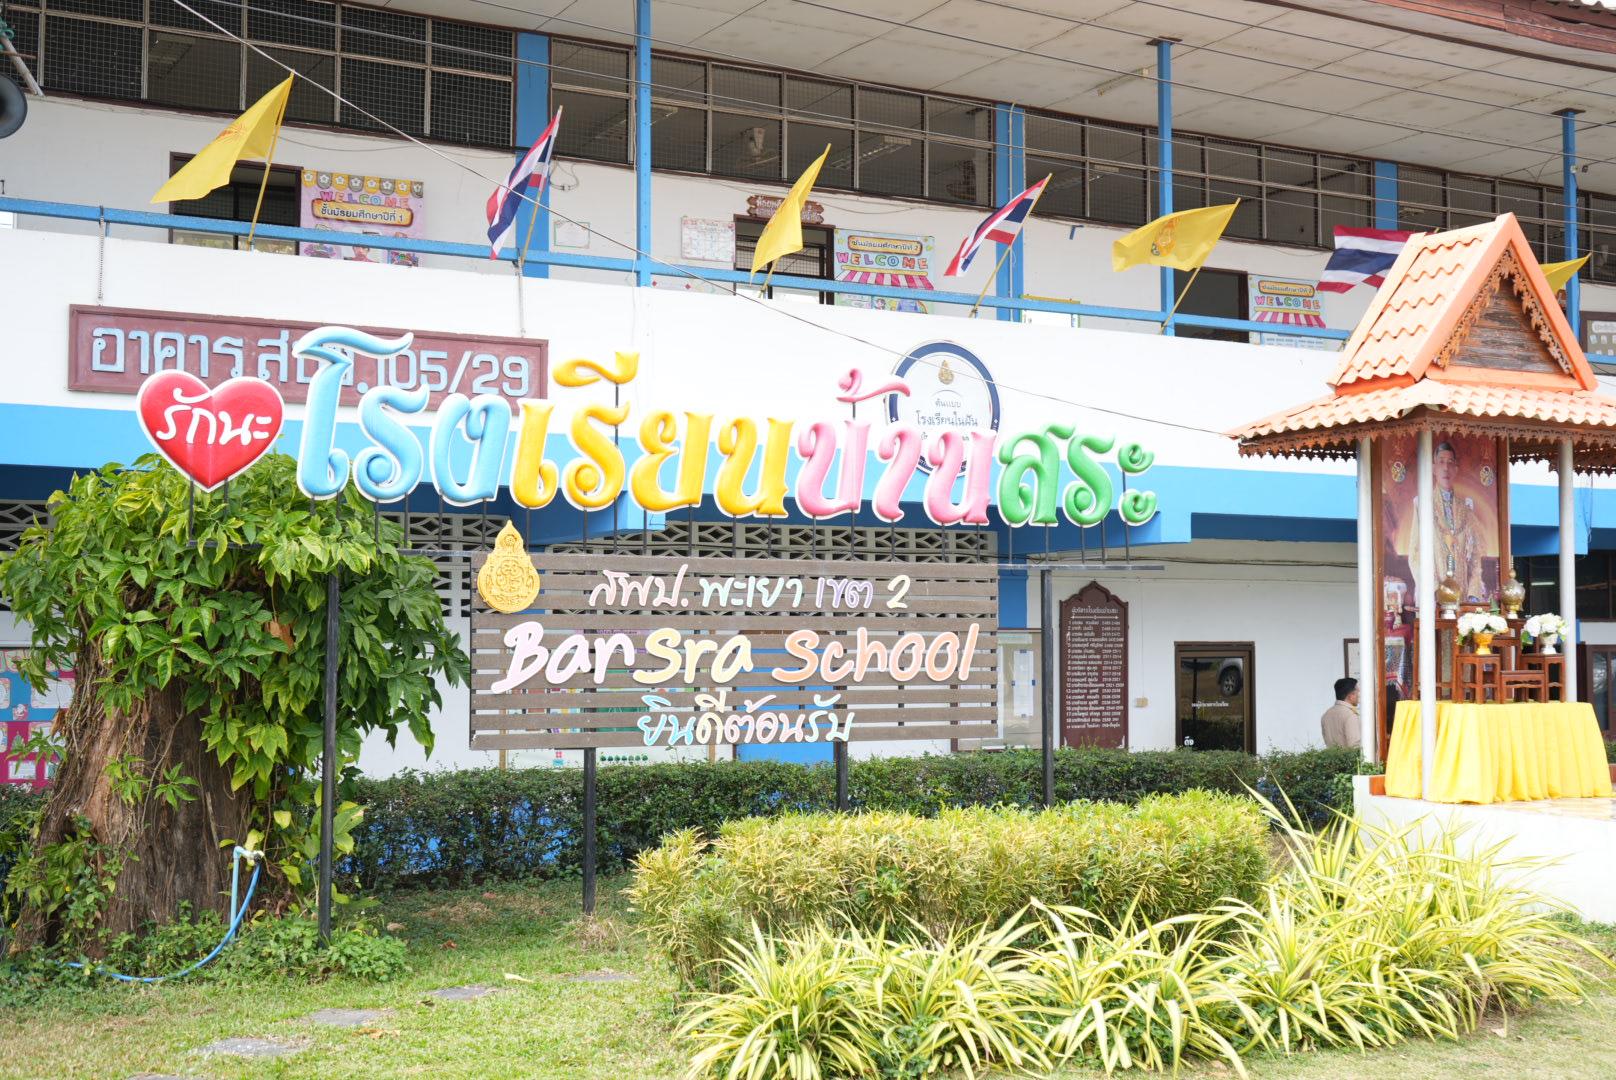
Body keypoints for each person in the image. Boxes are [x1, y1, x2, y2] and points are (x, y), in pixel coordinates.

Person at [1408, 441, 1489, 603]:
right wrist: (1435, 590)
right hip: (1434, 598)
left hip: (1462, 597)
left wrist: (1473, 593)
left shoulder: (1465, 508)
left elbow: (1475, 555)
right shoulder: (1422, 504)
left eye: (1450, 462)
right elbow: (1415, 553)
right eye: (1441, 462)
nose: (1446, 468)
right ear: (1433, 468)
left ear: (1456, 469)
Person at [1320, 677, 1359, 749]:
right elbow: (1355, 746)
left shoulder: (1326, 715)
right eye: (1357, 692)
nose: (1359, 696)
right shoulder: (1350, 715)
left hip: (1332, 756)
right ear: (1350, 696)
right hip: (1349, 756)